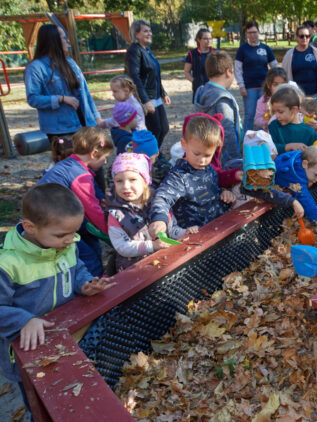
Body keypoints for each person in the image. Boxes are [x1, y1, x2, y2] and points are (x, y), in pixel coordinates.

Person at [0, 184, 115, 400]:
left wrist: (84, 284)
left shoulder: (64, 244)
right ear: (30, 227)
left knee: (70, 391)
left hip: (68, 334)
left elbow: (76, 267)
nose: (71, 240)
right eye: (63, 234)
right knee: (42, 402)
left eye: (74, 233)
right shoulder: (8, 264)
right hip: (29, 350)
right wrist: (24, 320)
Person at [38, 127, 114, 276]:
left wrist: (105, 200)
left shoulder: (72, 165)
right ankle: (95, 283)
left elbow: (95, 194)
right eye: (105, 157)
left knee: (89, 236)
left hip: (55, 217)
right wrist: (111, 231)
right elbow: (92, 211)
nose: (105, 162)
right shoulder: (79, 175)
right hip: (50, 224)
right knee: (87, 256)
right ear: (93, 154)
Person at [149, 114, 237, 235]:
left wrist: (223, 192)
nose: (202, 160)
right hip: (195, 235)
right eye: (196, 154)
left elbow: (212, 189)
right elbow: (162, 197)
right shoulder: (179, 176)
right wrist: (159, 219)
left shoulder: (208, 168)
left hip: (216, 227)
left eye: (207, 155)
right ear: (184, 144)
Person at [107, 153, 196, 271]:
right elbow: (122, 246)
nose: (125, 186)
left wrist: (184, 233)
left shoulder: (158, 204)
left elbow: (171, 229)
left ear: (145, 181)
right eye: (119, 181)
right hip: (135, 268)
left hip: (164, 262)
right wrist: (151, 246)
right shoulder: (115, 213)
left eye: (132, 179)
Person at [25, 24, 102, 158]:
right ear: (53, 40)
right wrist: (60, 98)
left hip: (85, 125)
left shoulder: (70, 63)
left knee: (95, 165)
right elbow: (33, 98)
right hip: (60, 129)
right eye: (64, 37)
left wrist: (96, 118)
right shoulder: (36, 68)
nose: (68, 41)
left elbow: (86, 93)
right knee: (71, 169)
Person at [125, 20, 171, 148]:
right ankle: (148, 156)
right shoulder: (134, 51)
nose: (149, 33)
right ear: (136, 33)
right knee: (155, 129)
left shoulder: (147, 50)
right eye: (145, 31)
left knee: (164, 128)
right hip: (145, 97)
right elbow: (134, 77)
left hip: (155, 96)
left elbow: (155, 74)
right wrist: (145, 100)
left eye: (150, 31)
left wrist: (163, 92)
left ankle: (154, 153)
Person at [193, 50, 242, 163]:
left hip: (210, 154)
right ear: (228, 72)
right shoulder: (223, 100)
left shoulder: (203, 91)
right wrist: (235, 160)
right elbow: (228, 131)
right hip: (224, 159)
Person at [274, 146, 317, 236]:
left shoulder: (301, 158)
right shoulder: (295, 178)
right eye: (316, 175)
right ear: (305, 164)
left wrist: (309, 180)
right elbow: (305, 199)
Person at [235, 21, 278, 133]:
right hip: (249, 89)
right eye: (249, 33)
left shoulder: (266, 48)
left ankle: (262, 139)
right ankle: (247, 140)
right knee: (250, 115)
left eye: (254, 32)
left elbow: (274, 67)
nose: (252, 35)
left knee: (264, 115)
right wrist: (241, 86)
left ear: (259, 32)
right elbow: (237, 69)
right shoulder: (242, 49)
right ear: (246, 34)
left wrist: (275, 83)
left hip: (265, 89)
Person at [268, 85, 317, 154]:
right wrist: (288, 146)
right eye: (274, 112)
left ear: (294, 110)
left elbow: (316, 155)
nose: (276, 116)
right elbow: (269, 148)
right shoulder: (274, 126)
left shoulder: (309, 132)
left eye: (280, 112)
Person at [283, 26, 317, 97]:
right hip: (296, 95)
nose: (305, 38)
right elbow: (284, 74)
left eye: (307, 36)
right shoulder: (289, 54)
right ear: (296, 37)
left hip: (314, 94)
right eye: (301, 36)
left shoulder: (316, 52)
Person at [184, 28, 214, 100]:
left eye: (210, 38)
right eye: (205, 39)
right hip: (199, 89)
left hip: (214, 88)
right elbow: (186, 72)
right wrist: (194, 81)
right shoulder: (192, 54)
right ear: (199, 39)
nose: (208, 41)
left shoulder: (215, 53)